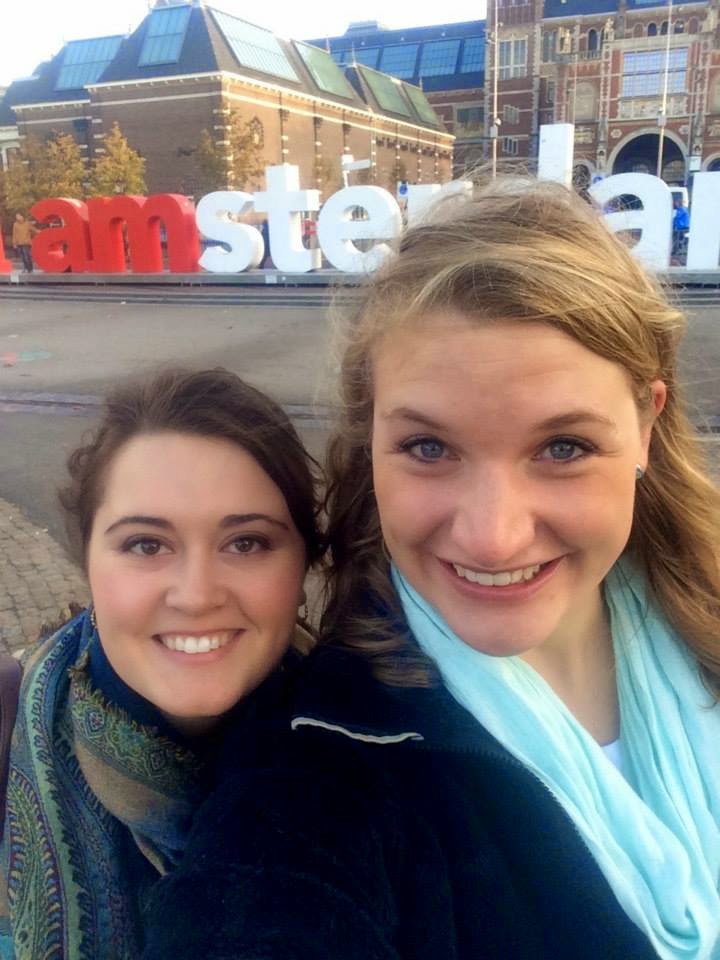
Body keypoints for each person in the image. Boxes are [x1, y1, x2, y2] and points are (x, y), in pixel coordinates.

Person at [142, 178, 720, 960]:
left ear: (647, 425)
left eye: (563, 448)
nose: (493, 539)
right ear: (372, 442)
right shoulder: (315, 771)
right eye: (428, 447)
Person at [0, 367, 322, 960]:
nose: (196, 596)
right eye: (146, 544)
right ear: (87, 561)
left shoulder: (379, 757)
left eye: (246, 542)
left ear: (303, 565)